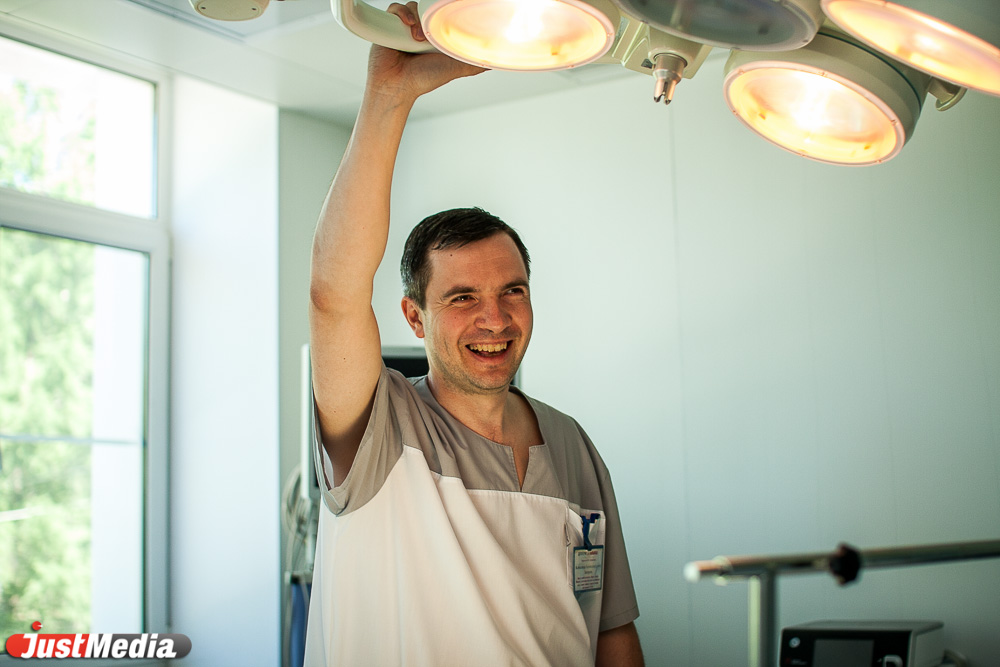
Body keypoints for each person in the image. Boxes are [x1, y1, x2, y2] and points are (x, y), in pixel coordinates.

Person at [304, 4, 643, 665]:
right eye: (463, 298)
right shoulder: (381, 431)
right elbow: (333, 295)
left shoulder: (572, 446)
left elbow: (611, 631)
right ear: (414, 318)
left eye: (511, 290)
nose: (496, 318)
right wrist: (388, 96)